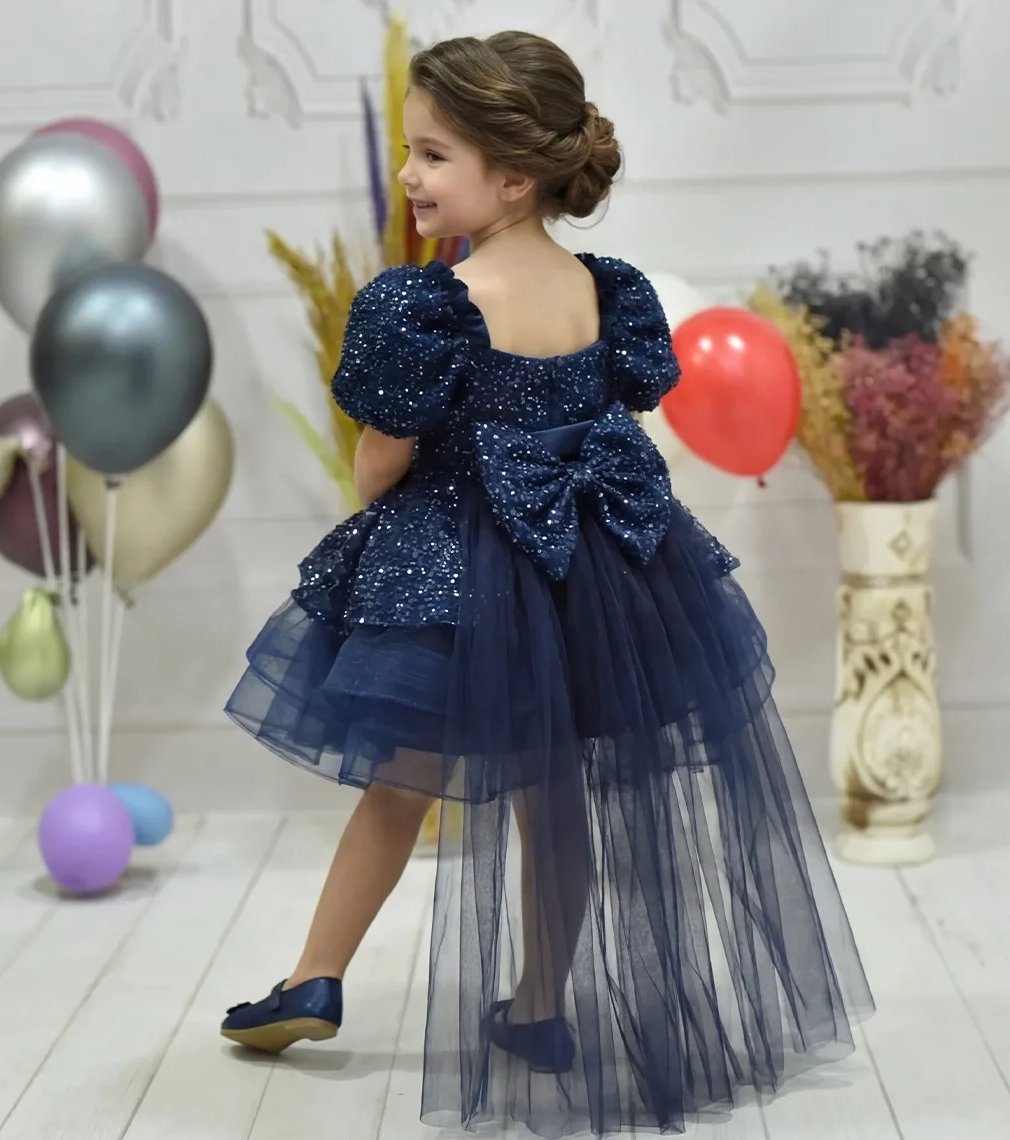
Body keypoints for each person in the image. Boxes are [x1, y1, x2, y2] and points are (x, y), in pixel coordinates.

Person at [221, 29, 874, 1138]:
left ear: (514, 176)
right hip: (596, 574)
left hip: (455, 576)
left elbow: (380, 459)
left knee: (397, 787)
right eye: (410, 151)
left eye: (433, 155)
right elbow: (611, 410)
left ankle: (315, 977)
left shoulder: (427, 302)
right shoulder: (601, 292)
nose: (408, 175)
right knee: (556, 789)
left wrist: (383, 494)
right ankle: (538, 1004)